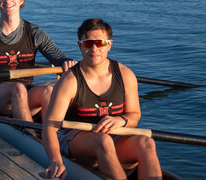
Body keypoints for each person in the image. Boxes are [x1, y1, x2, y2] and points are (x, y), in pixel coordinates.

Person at [43, 18, 162, 180]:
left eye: (100, 43)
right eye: (88, 43)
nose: (94, 48)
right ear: (80, 46)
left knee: (147, 143)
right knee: (103, 141)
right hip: (75, 139)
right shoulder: (69, 81)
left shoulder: (125, 75)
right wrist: (56, 161)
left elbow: (134, 115)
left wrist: (121, 120)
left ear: (109, 45)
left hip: (114, 137)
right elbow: (50, 127)